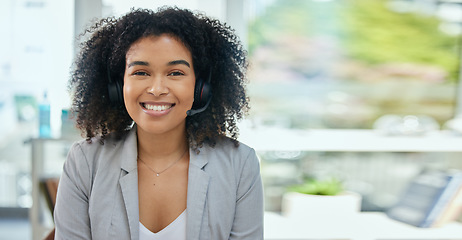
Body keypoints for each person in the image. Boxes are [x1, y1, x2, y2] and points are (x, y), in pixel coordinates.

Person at [53, 7, 264, 240]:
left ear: (200, 87)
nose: (156, 89)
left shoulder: (240, 165)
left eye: (175, 73)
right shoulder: (84, 162)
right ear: (118, 86)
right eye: (141, 72)